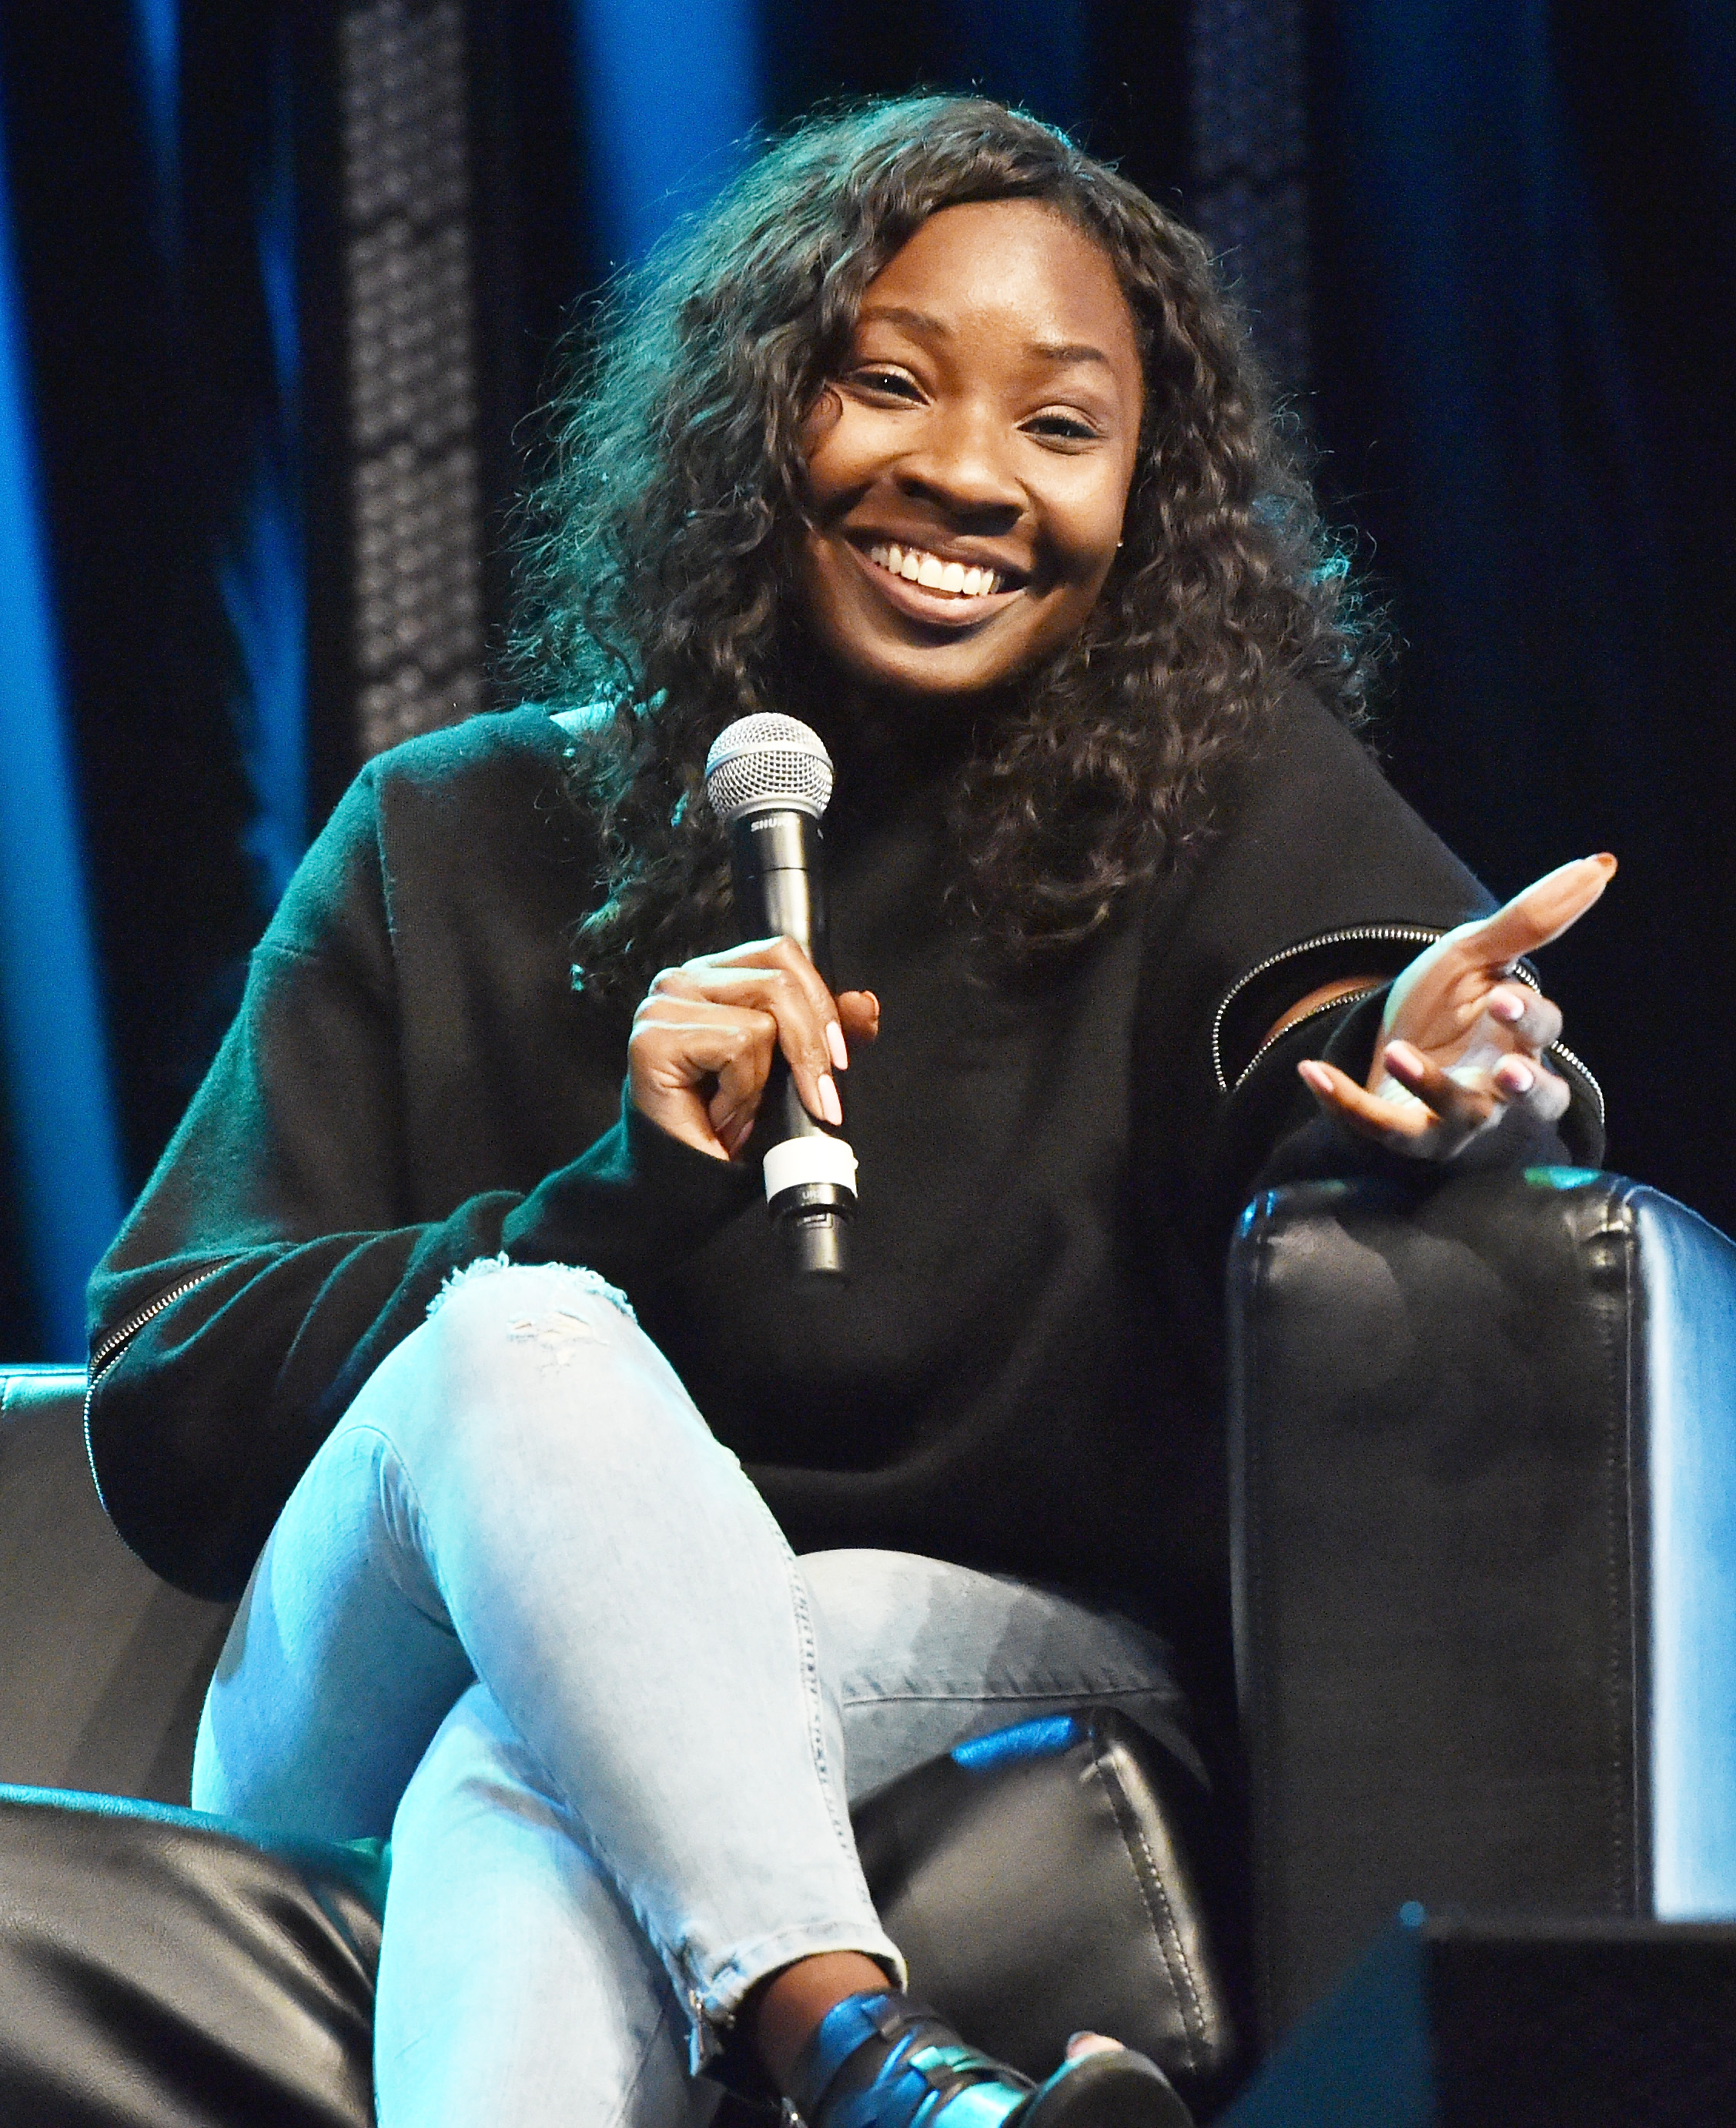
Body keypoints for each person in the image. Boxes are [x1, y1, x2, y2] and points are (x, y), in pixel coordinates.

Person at [85, 96, 1611, 2128]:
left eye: (1061, 428)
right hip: (345, 1689)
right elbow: (165, 1395)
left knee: (528, 1756)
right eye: (886, 385)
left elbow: (1338, 1017)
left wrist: (1462, 1076)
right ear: (748, 419)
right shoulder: (446, 836)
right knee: (528, 1338)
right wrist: (601, 1204)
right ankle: (869, 2061)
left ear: (1146, 493)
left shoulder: (1209, 806)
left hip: (939, 1632)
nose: (968, 475)